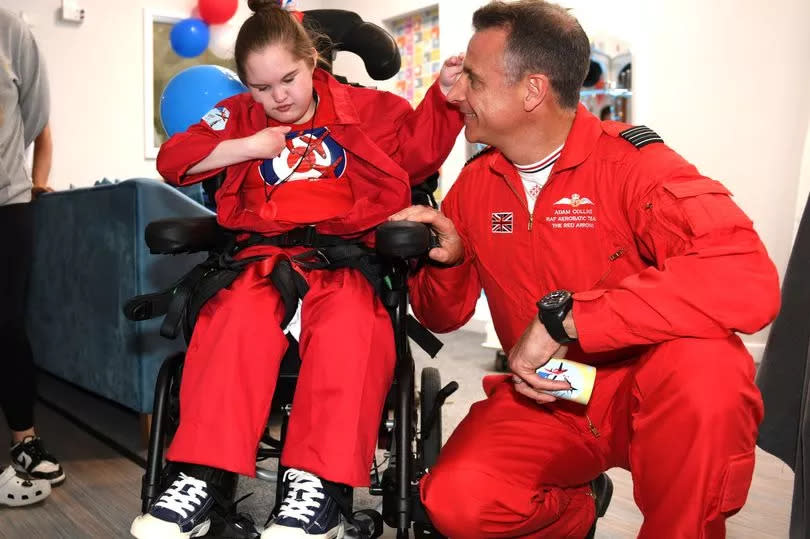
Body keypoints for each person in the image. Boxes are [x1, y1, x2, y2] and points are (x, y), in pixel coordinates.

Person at [390, 1, 780, 537]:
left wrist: (567, 319)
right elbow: (443, 316)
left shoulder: (634, 166)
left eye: (473, 82)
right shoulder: (475, 186)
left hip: (644, 389)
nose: (456, 95)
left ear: (532, 91)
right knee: (461, 502)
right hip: (552, 387)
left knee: (707, 370)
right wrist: (450, 261)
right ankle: (577, 508)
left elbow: (747, 280)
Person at [129, 1, 464, 538]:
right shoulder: (238, 115)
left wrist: (445, 99)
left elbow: (418, 150)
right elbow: (176, 157)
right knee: (233, 316)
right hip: (262, 258)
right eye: (261, 88)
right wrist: (247, 145)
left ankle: (318, 490)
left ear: (312, 62)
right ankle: (197, 477)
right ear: (245, 86)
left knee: (351, 325)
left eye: (288, 78)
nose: (278, 96)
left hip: (344, 257)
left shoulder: (366, 107)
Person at [0, 7, 63, 506]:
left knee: (7, 323)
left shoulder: (9, 27)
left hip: (7, 205)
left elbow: (38, 118)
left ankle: (24, 438)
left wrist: (36, 180)